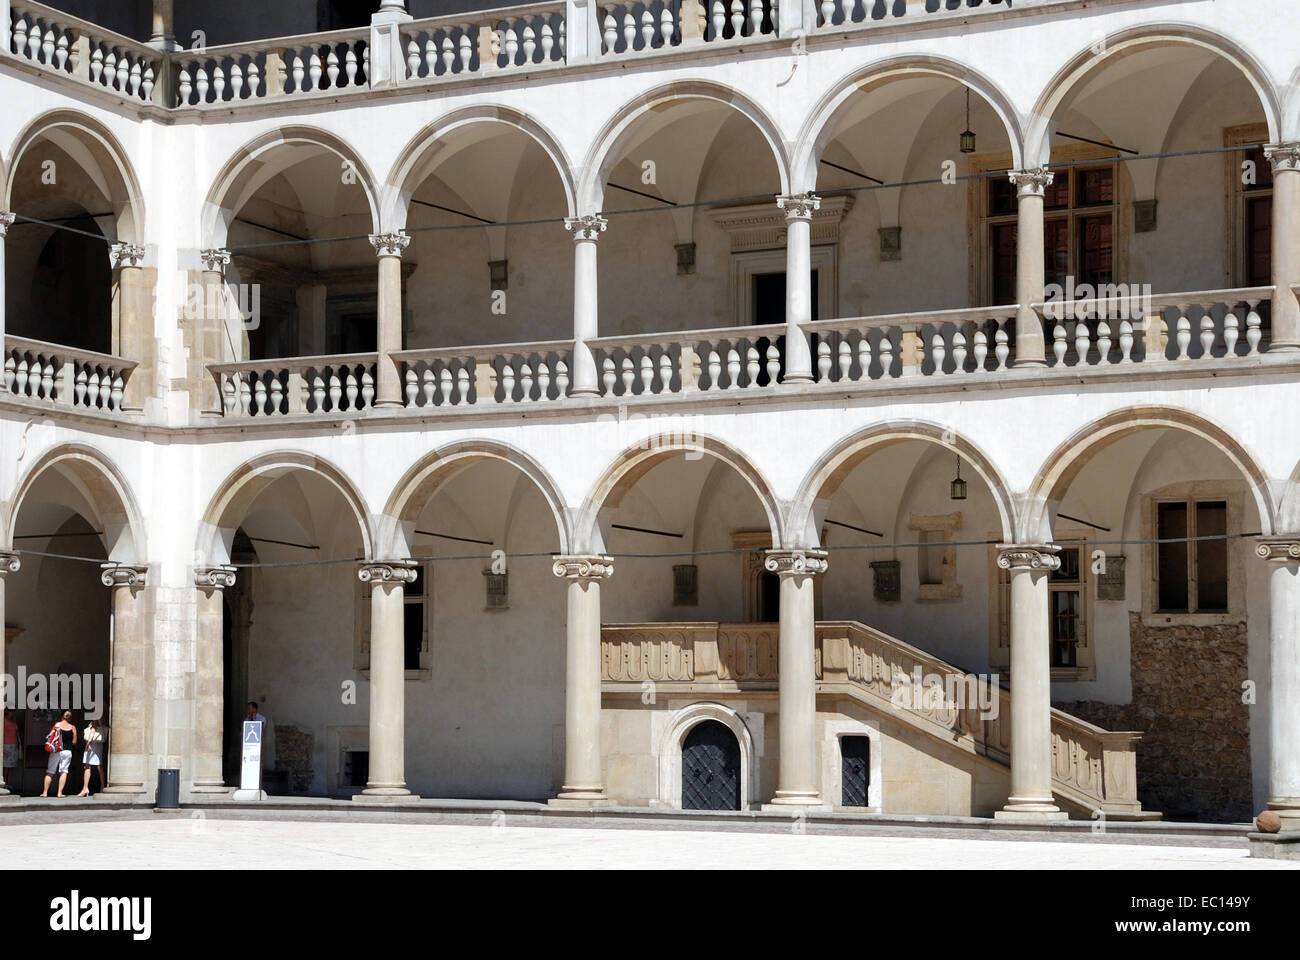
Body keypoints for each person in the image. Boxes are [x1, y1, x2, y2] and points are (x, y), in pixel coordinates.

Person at [40, 711, 77, 799]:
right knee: (64, 771)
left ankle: (45, 792)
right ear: (70, 718)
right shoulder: (72, 727)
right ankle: (59, 793)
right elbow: (74, 742)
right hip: (67, 751)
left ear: (62, 717)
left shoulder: (57, 725)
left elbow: (51, 737)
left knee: (50, 771)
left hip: (56, 750)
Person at [77, 719, 104, 797]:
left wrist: (88, 742)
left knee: (87, 766)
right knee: (99, 766)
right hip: (98, 745)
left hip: (92, 744)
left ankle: (85, 788)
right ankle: (102, 786)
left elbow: (93, 729)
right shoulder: (103, 719)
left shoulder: (96, 717)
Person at [3, 709, 19, 794]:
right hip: (5, 745)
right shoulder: (3, 721)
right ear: (7, 711)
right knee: (6, 766)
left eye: (14, 711)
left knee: (11, 766)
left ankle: (9, 783)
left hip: (13, 745)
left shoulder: (13, 721)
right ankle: (4, 783)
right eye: (11, 711)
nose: (12, 712)